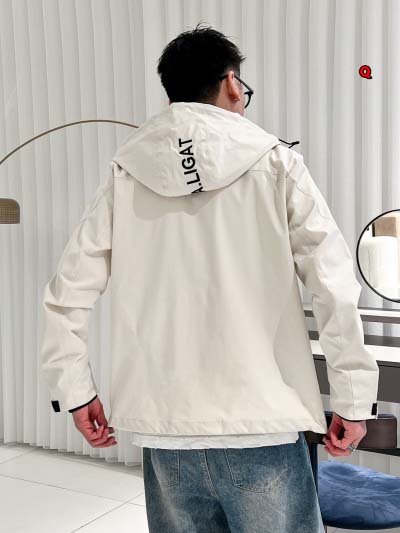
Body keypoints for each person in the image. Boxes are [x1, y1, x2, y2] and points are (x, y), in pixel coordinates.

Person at [40, 22, 379, 532]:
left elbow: (65, 294)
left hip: (165, 428)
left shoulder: (127, 172)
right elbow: (333, 286)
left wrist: (75, 392)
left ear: (171, 94)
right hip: (262, 424)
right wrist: (353, 399)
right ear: (232, 84)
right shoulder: (278, 164)